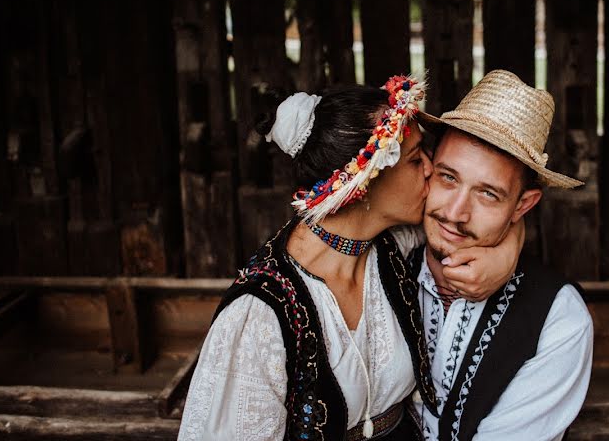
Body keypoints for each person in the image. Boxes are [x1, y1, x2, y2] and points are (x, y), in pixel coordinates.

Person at [177, 75, 520, 441]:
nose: (430, 169)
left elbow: (491, 218)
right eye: (415, 159)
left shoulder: (390, 248)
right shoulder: (261, 317)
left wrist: (507, 255)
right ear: (364, 183)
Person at [409, 70, 594, 441]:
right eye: (448, 178)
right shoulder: (384, 263)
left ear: (522, 206)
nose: (455, 213)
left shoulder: (560, 321)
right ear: (427, 169)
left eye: (488, 194)